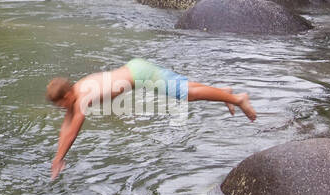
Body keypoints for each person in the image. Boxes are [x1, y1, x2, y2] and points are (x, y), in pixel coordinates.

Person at [45, 58, 256, 178]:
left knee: (187, 94)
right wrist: (57, 158)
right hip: (136, 68)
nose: (61, 108)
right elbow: (66, 126)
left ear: (67, 95)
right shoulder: (77, 91)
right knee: (186, 90)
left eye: (60, 103)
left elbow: (73, 131)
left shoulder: (82, 97)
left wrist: (60, 158)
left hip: (141, 75)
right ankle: (223, 92)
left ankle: (237, 98)